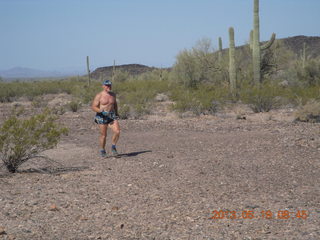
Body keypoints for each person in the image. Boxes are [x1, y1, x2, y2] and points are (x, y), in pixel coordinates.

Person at [92, 80, 120, 157]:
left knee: (117, 131)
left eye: (110, 85)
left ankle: (113, 147)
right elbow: (93, 107)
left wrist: (117, 113)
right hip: (102, 116)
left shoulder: (113, 94)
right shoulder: (99, 95)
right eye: (107, 85)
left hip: (111, 115)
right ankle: (102, 150)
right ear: (103, 86)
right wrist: (101, 111)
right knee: (103, 135)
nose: (109, 87)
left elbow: (115, 104)